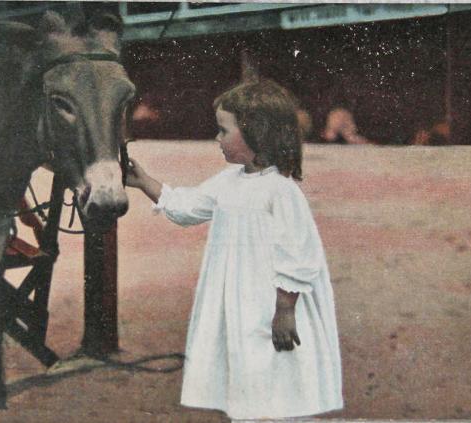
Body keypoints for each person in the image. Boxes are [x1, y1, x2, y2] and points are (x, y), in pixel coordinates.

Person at [126, 80, 343, 420]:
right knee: (245, 374)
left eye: (224, 131)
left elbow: (300, 255)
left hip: (272, 303)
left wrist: (285, 310)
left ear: (256, 133)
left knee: (276, 375)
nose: (217, 138)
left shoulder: (281, 191)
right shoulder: (229, 181)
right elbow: (187, 206)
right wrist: (144, 182)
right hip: (237, 301)